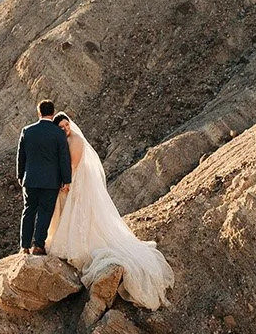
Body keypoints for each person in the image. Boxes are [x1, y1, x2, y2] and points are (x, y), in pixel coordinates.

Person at [46, 115, 174, 309]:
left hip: (77, 182)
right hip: (69, 183)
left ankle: (79, 244)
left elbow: (73, 165)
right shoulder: (63, 141)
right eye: (61, 126)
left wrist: (65, 181)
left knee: (82, 214)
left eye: (66, 125)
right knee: (71, 213)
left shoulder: (76, 140)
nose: (65, 128)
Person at [15, 98, 73, 254]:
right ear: (53, 113)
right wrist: (66, 179)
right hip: (50, 181)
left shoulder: (27, 131)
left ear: (39, 113)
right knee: (45, 212)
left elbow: (21, 157)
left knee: (28, 210)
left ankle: (24, 246)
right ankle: (38, 245)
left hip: (30, 179)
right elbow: (63, 157)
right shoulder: (58, 133)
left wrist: (20, 176)